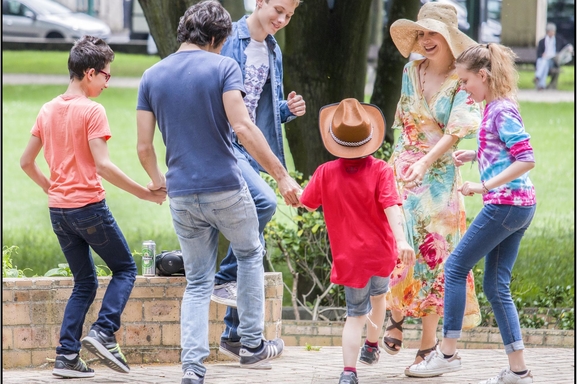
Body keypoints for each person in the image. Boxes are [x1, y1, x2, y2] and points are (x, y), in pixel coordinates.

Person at [135, 2, 301, 383]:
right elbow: (242, 127)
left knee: (197, 282)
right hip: (225, 187)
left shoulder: (151, 75)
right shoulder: (225, 66)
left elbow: (144, 147)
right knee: (248, 254)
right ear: (217, 38)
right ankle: (252, 344)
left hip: (180, 193)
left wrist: (156, 178)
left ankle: (192, 367)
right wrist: (280, 175)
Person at [19, 35, 167, 379]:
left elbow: (26, 162)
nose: (107, 81)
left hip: (59, 212)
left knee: (84, 282)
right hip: (88, 208)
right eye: (106, 75)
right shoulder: (92, 110)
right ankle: (103, 332)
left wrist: (51, 187)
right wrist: (144, 194)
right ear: (89, 73)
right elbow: (102, 165)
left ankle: (67, 356)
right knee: (126, 269)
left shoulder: (47, 109)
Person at [406, 42, 537, 384]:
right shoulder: (496, 107)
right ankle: (519, 372)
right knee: (496, 287)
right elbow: (502, 150)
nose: (462, 88)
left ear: (483, 75)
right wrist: (473, 154)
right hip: (519, 206)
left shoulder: (501, 110)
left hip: (505, 206)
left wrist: (484, 186)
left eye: (465, 81)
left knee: (454, 266)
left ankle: (446, 354)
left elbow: (526, 158)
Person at [385, 2, 482, 375]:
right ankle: (395, 315)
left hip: (439, 180)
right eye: (421, 33)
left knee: (434, 260)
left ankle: (427, 344)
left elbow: (458, 130)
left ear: (449, 38)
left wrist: (425, 161)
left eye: (433, 34)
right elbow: (402, 122)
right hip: (403, 173)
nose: (426, 40)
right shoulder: (412, 70)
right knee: (396, 245)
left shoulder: (463, 81)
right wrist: (398, 167)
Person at [211, 0, 306, 362]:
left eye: (289, 16)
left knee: (253, 243)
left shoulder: (271, 48)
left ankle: (235, 336)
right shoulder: (228, 38)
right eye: (277, 10)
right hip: (225, 142)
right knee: (264, 206)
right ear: (260, 2)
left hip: (251, 150)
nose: (281, 20)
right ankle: (224, 278)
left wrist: (285, 110)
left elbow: (257, 110)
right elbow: (223, 104)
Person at [299, 98, 415, 384]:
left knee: (355, 315)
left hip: (348, 259)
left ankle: (349, 372)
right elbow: (391, 206)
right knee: (379, 298)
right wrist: (401, 241)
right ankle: (372, 347)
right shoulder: (381, 171)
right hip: (380, 254)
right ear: (369, 137)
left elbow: (307, 202)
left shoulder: (325, 172)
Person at [534, 22, 573, 90]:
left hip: (552, 61)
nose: (552, 33)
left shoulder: (558, 39)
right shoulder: (542, 41)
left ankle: (538, 77)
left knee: (544, 62)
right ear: (547, 32)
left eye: (553, 31)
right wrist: (542, 55)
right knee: (544, 62)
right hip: (543, 60)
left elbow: (566, 45)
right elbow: (539, 54)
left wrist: (570, 47)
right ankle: (541, 85)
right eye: (550, 31)